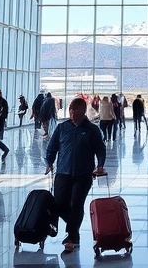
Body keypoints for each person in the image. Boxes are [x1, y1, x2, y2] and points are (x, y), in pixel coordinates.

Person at [44, 97, 106, 254]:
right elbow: (52, 147)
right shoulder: (62, 128)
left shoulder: (92, 130)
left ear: (83, 111)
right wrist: (49, 162)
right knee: (60, 205)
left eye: (75, 110)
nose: (72, 113)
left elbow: (100, 149)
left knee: (77, 203)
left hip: (83, 174)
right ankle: (74, 224)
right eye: (70, 110)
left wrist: (99, 166)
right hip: (63, 172)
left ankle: (72, 236)